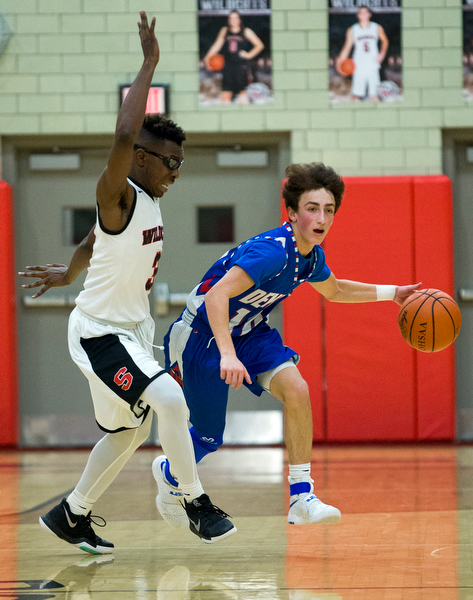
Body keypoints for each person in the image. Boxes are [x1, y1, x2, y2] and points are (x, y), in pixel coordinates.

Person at [18, 11, 235, 553]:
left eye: (181, 164)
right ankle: (194, 500)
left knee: (129, 431)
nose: (176, 173)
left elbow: (95, 242)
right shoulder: (118, 190)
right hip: (100, 333)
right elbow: (122, 132)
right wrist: (150, 64)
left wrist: (67, 272)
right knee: (170, 398)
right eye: (169, 162)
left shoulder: (145, 205)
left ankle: (72, 514)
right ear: (139, 157)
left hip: (132, 332)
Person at [153, 162, 421, 529]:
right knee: (209, 437)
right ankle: (170, 473)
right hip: (203, 336)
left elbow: (336, 290)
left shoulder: (309, 256)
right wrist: (227, 354)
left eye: (328, 210)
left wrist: (394, 294)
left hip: (249, 331)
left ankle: (301, 497)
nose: (321, 217)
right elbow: (217, 296)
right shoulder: (273, 252)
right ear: (293, 214)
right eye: (312, 208)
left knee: (297, 389)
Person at [203, 10, 264, 104]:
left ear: (239, 19)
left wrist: (249, 54)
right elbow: (217, 44)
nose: (233, 20)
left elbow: (259, 45)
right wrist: (208, 57)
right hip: (228, 65)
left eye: (235, 18)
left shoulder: (246, 31)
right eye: (231, 18)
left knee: (243, 94)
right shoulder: (225, 30)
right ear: (228, 20)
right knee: (226, 94)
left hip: (241, 66)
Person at [336, 7, 389, 102]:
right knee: (356, 96)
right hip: (358, 63)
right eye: (361, 12)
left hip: (373, 62)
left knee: (375, 96)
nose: (363, 14)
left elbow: (385, 41)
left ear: (369, 14)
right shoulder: (352, 29)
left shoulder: (377, 27)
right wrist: (340, 60)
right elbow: (347, 46)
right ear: (358, 15)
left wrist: (382, 54)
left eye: (365, 12)